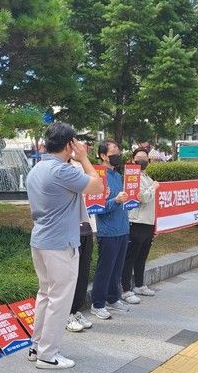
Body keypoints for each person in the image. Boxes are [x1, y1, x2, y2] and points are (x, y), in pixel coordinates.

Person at [26, 122, 104, 369]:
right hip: (60, 244)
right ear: (70, 144)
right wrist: (84, 158)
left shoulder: (38, 168)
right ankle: (48, 355)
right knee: (59, 299)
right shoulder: (63, 171)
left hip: (40, 240)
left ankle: (37, 345)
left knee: (45, 295)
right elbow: (98, 186)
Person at [91, 140, 131, 320]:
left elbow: (125, 201)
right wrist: (115, 200)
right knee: (105, 268)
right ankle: (97, 304)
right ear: (103, 156)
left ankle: (113, 298)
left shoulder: (118, 175)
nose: (117, 154)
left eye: (118, 150)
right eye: (113, 151)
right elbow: (97, 206)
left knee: (117, 267)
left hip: (122, 227)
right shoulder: (99, 176)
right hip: (107, 231)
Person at [121, 148, 160, 303]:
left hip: (148, 222)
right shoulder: (132, 177)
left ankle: (139, 284)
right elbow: (141, 197)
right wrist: (154, 188)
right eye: (139, 158)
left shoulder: (148, 177)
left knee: (142, 257)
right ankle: (125, 289)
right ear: (133, 159)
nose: (142, 161)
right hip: (136, 221)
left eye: (145, 158)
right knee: (130, 257)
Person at [66, 160, 97, 333]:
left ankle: (76, 309)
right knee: (70, 276)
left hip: (86, 228)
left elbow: (96, 189)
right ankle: (67, 313)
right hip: (70, 231)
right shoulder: (60, 170)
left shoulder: (80, 166)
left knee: (83, 274)